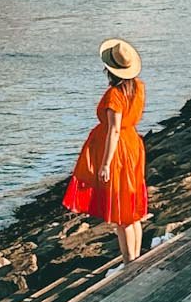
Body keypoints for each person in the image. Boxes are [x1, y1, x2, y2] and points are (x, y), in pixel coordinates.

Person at [62, 39, 150, 265]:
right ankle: (136, 258)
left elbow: (113, 131)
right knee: (132, 209)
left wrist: (105, 164)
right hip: (133, 145)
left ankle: (130, 263)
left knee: (122, 213)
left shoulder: (114, 96)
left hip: (119, 150)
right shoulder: (138, 86)